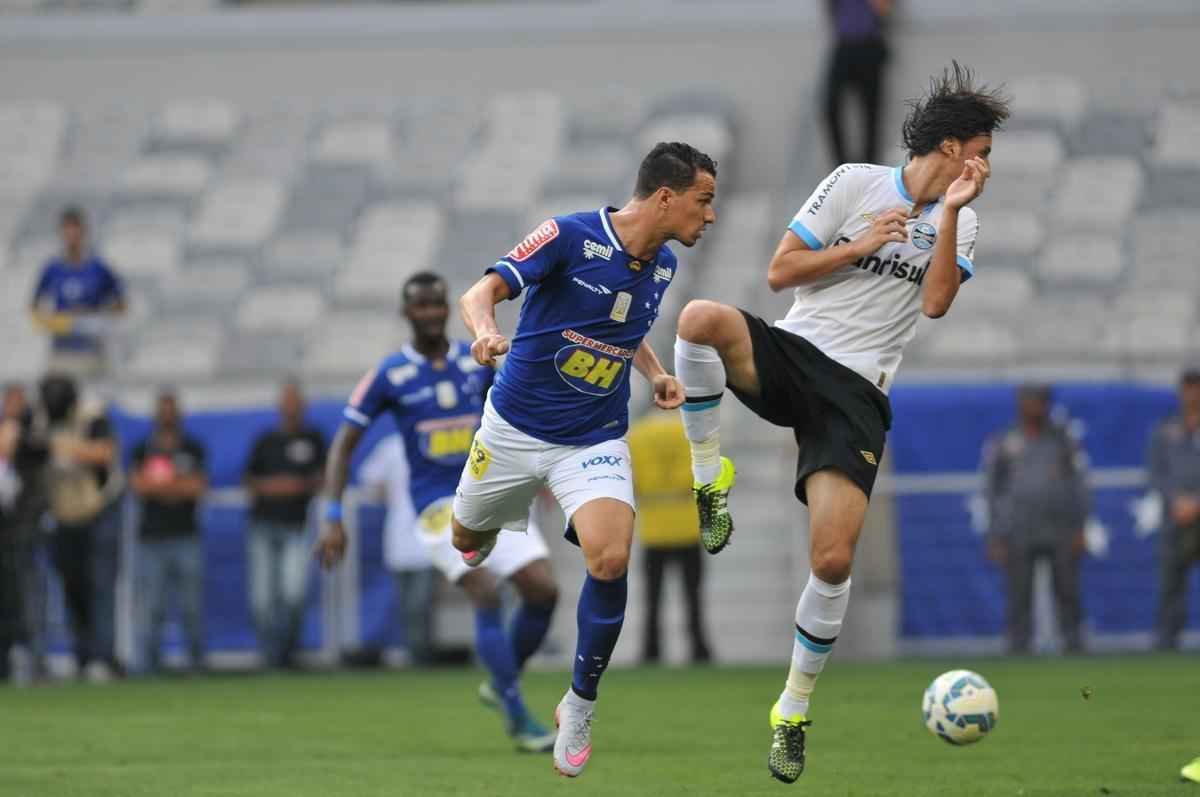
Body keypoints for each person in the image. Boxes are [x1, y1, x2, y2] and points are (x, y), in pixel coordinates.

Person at [671, 63, 1008, 783]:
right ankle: (709, 476)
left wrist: (946, 216)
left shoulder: (965, 217)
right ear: (949, 147)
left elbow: (939, 302)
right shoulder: (856, 182)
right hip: (797, 354)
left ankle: (791, 709)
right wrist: (861, 245)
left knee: (831, 559)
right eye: (979, 149)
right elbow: (780, 271)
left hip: (856, 393)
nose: (984, 165)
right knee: (699, 320)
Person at [448, 141, 715, 777]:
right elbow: (477, 293)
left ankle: (580, 701)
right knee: (465, 539)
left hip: (592, 439)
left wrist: (653, 372)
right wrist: (486, 332)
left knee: (611, 554)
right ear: (665, 197)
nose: (709, 217)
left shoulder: (664, 264)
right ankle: (474, 533)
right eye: (703, 202)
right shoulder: (568, 236)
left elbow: (625, 327)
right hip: (511, 431)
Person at [315, 272, 561, 753]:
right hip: (435, 506)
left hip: (490, 491)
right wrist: (331, 514)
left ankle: (500, 677)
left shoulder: (474, 361)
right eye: (419, 306)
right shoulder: (391, 374)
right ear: (406, 313)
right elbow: (343, 445)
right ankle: (516, 715)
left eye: (436, 305)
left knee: (543, 590)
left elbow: (518, 414)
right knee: (486, 590)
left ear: (447, 308)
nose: (429, 313)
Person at [983, 384, 1090, 654]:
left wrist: (1080, 527)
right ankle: (1018, 649)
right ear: (1020, 405)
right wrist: (996, 534)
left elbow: (1079, 483)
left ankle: (1074, 645)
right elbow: (993, 489)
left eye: (1039, 402)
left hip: (1060, 528)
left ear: (1047, 405)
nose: (1033, 407)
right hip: (1019, 528)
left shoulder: (1063, 440)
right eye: (1028, 401)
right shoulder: (1005, 440)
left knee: (1067, 591)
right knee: (1019, 594)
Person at [37, 373, 122, 682]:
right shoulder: (40, 420)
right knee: (73, 586)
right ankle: (81, 654)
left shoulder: (92, 415)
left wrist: (62, 447)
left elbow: (104, 453)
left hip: (99, 508)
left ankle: (102, 657)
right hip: (63, 513)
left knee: (101, 585)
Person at [242, 380, 326, 669]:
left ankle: (286, 653)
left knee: (293, 594)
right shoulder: (266, 441)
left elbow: (323, 477)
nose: (290, 409)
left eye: (295, 403)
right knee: (262, 600)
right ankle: (270, 657)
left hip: (296, 526)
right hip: (262, 526)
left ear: (303, 407)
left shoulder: (313, 439)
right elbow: (250, 481)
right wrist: (287, 486)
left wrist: (292, 486)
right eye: (286, 403)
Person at [130, 390, 208, 674]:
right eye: (163, 410)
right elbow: (138, 486)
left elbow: (197, 488)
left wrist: (161, 487)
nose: (167, 416)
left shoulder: (192, 448)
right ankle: (147, 668)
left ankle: (196, 665)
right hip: (151, 539)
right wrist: (177, 486)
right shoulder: (143, 449)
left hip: (186, 536)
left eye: (171, 410)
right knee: (151, 608)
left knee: (191, 608)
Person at [627, 411, 712, 664]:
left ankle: (651, 650)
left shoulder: (637, 436)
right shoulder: (692, 433)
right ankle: (699, 648)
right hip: (687, 526)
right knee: (693, 596)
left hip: (654, 528)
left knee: (652, 598)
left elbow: (631, 482)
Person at [357, 433, 436, 665]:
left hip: (430, 533)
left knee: (420, 603)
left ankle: (422, 656)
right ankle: (416, 653)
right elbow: (369, 481)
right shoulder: (391, 446)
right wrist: (386, 495)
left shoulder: (435, 443)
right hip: (399, 536)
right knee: (406, 605)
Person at [30, 207, 125, 379]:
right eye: (67, 230)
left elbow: (120, 303)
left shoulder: (98, 267)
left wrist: (95, 317)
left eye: (76, 230)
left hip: (91, 350)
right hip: (62, 350)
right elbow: (35, 305)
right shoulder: (52, 269)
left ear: (83, 232)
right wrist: (53, 320)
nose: (72, 235)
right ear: (61, 233)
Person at [1147, 368, 1200, 651]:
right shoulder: (1166, 431)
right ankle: (1167, 645)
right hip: (1175, 519)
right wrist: (1176, 500)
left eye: (1197, 387)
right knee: (1171, 584)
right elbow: (1155, 473)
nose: (1193, 394)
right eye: (1188, 388)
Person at [0, 384, 48, 683]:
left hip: (24, 531)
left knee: (28, 598)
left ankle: (33, 659)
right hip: (5, 533)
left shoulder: (34, 440)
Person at [823, 0, 893, 166]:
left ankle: (869, 165)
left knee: (871, 112)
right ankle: (841, 164)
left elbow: (883, 9)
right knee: (830, 105)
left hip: (870, 45)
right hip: (844, 44)